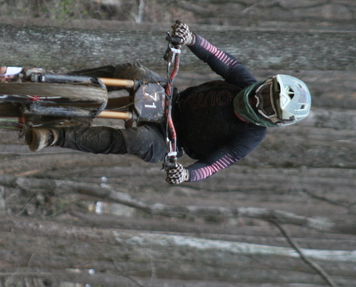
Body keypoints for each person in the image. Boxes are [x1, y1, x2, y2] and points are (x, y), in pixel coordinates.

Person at [25, 21, 311, 184]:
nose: (258, 97)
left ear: (273, 120)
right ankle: (58, 82)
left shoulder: (251, 136)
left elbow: (215, 164)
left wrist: (187, 174)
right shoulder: (243, 82)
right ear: (266, 81)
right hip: (170, 98)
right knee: (130, 71)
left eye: (268, 105)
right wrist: (191, 39)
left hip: (169, 142)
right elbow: (221, 58)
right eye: (266, 90)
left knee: (134, 139)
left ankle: (54, 136)